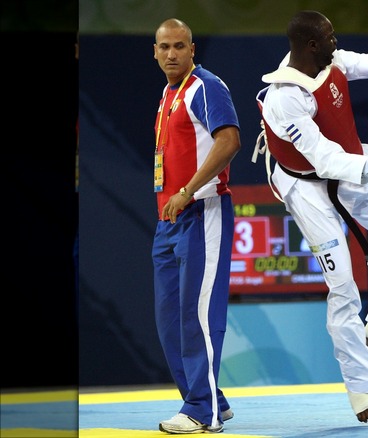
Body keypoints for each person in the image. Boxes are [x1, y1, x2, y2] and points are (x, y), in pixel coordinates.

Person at [255, 10, 368, 426]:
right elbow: (324, 158)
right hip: (307, 184)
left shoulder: (325, 61)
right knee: (343, 287)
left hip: (350, 161)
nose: (337, 41)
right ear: (312, 44)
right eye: (330, 36)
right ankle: (360, 389)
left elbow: (353, 63)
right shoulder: (286, 97)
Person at [151, 18, 241, 434]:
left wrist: (187, 190)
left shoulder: (205, 86)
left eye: (179, 46)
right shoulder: (169, 93)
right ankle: (211, 400)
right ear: (155, 52)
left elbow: (229, 141)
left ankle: (201, 412)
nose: (171, 53)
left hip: (203, 212)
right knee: (169, 321)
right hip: (167, 223)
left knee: (197, 315)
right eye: (164, 47)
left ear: (192, 49)